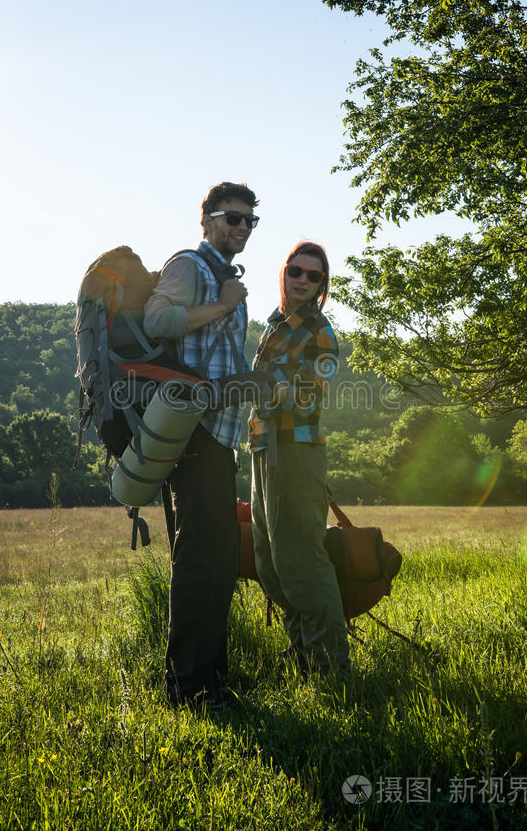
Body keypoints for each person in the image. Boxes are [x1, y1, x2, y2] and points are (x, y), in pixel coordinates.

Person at [143, 181, 259, 708]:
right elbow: (157, 318)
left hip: (221, 435)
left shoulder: (224, 276)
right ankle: (188, 686)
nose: (241, 228)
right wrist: (222, 306)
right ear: (208, 219)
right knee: (199, 557)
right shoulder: (191, 266)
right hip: (193, 433)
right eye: (232, 218)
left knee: (218, 557)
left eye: (248, 221)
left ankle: (212, 677)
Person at [248, 241, 349, 673]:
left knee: (301, 560)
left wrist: (266, 391)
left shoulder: (320, 333)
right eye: (297, 272)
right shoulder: (274, 325)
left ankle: (332, 668)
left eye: (315, 276)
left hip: (296, 449)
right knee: (270, 562)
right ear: (284, 272)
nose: (304, 281)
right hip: (261, 447)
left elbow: (310, 394)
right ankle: (304, 654)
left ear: (323, 284)